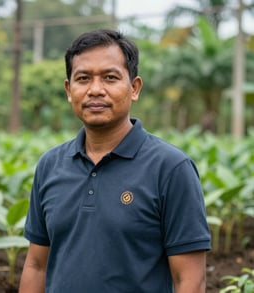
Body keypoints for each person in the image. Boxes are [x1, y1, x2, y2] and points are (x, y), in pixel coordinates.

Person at [19, 29, 211, 293]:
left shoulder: (171, 168)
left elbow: (189, 281)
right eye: (83, 78)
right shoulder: (50, 165)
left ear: (134, 88)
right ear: (68, 90)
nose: (95, 90)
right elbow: (36, 266)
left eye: (110, 78)